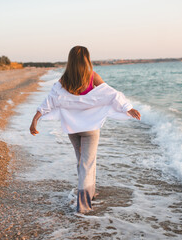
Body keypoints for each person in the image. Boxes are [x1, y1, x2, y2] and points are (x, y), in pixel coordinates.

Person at [30, 46, 141, 214]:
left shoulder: (64, 80)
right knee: (87, 164)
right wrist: (128, 108)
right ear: (86, 60)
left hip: (73, 129)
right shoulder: (92, 77)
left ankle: (91, 192)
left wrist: (35, 118)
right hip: (90, 128)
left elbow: (50, 101)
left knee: (83, 163)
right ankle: (83, 206)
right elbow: (113, 94)